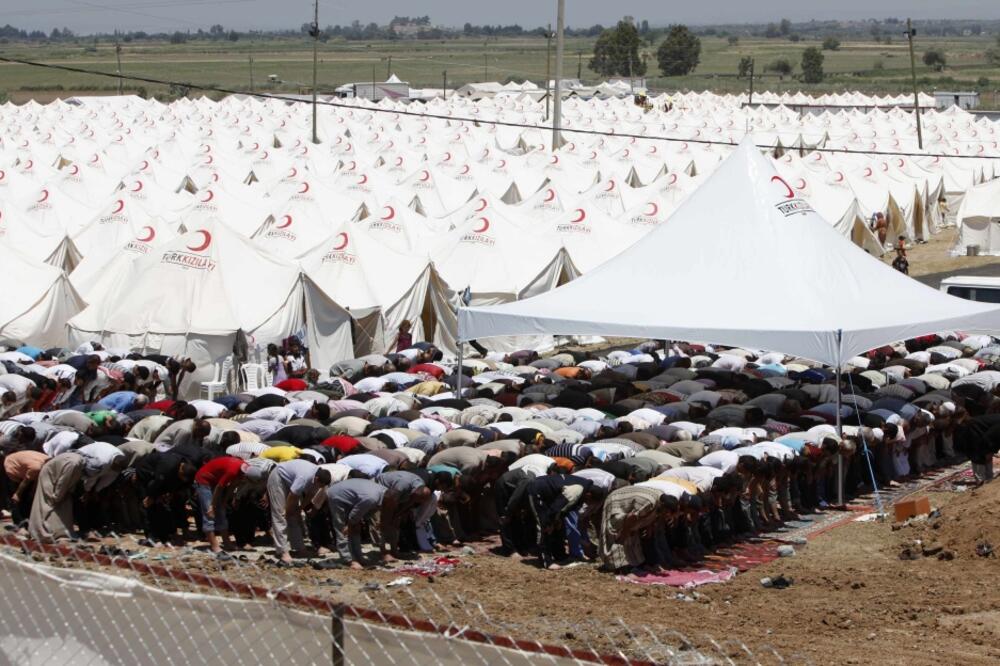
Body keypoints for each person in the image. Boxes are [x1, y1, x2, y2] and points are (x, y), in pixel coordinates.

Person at [267, 459, 332, 564]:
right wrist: (287, 511)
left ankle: (299, 549)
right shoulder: (305, 477)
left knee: (293, 516)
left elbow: (310, 495)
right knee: (280, 515)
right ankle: (282, 551)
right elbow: (293, 495)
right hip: (278, 477)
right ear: (316, 479)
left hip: (290, 482)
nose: (320, 487)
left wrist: (299, 509)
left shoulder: (318, 478)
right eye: (320, 485)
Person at [326, 477, 388, 569]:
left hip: (352, 498)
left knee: (356, 528)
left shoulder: (385, 493)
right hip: (337, 495)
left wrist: (357, 522)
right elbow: (355, 515)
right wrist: (350, 525)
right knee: (343, 529)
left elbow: (364, 513)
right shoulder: (371, 498)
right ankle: (349, 559)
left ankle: (358, 557)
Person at [193, 455, 245, 558]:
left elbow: (232, 486)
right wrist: (212, 505)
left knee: (221, 511)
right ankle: (214, 546)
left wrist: (224, 501)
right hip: (204, 480)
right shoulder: (233, 471)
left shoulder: (245, 468)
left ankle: (226, 543)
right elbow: (220, 487)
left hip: (214, 481)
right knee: (209, 513)